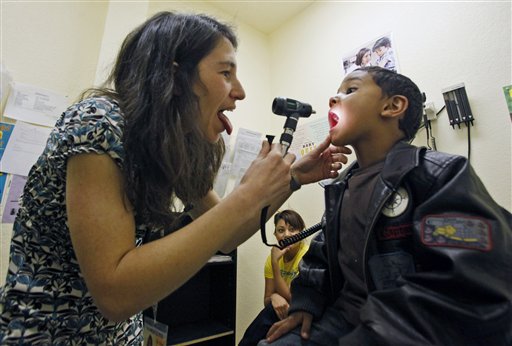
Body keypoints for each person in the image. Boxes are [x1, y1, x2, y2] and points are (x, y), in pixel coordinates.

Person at [0, 11, 352, 344]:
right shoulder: (100, 121)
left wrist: (291, 179)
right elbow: (114, 293)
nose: (240, 92)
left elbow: (226, 236)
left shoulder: (170, 147)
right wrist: (247, 194)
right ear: (174, 77)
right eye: (225, 73)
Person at [259, 66, 512, 345]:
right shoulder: (343, 186)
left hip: (405, 328)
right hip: (343, 318)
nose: (333, 99)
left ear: (393, 106)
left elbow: (465, 282)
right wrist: (306, 301)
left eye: (350, 90)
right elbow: (322, 253)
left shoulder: (438, 175)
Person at [239, 210, 309, 346]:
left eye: (292, 229)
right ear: (275, 235)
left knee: (268, 316)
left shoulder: (306, 255)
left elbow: (291, 297)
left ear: (302, 232)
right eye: (281, 230)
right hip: (282, 312)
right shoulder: (272, 258)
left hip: (301, 312)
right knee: (269, 312)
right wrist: (273, 297)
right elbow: (267, 299)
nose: (286, 235)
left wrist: (275, 263)